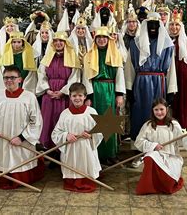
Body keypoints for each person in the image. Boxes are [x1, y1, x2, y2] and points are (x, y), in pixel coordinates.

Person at [0, 65, 44, 189]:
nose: (9, 81)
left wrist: (22, 138)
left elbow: (36, 121)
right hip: (3, 139)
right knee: (4, 163)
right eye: (6, 78)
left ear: (20, 79)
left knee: (21, 162)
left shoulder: (29, 97)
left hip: (22, 142)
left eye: (13, 77)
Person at [125, 12, 177, 142]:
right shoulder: (135, 44)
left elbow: (171, 69)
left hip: (159, 83)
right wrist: (129, 88)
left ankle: (158, 143)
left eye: (155, 24)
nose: (153, 27)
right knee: (140, 113)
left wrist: (171, 90)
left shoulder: (167, 45)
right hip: (141, 84)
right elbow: (129, 67)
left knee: (158, 114)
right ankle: (140, 145)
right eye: (150, 24)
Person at [134, 98, 187, 195]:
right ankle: (149, 187)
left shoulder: (174, 125)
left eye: (161, 109)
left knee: (168, 184)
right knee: (149, 158)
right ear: (152, 110)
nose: (159, 112)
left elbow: (182, 140)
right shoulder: (148, 125)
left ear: (167, 109)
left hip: (171, 156)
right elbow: (138, 142)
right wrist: (154, 145)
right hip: (155, 155)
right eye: (156, 110)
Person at [83, 26, 125, 165]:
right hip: (95, 91)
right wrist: (88, 96)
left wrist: (119, 94)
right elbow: (86, 77)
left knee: (109, 121)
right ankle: (97, 153)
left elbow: (119, 75)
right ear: (95, 39)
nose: (101, 40)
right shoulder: (89, 55)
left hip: (110, 90)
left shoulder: (115, 54)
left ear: (108, 39)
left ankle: (110, 153)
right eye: (99, 38)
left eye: (104, 37)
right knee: (95, 122)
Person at [51, 83, 103, 193]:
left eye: (80, 95)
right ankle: (72, 181)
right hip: (70, 148)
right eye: (74, 96)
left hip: (86, 148)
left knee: (86, 164)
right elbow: (55, 133)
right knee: (72, 164)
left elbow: (100, 131)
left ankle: (87, 181)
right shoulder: (65, 114)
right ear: (70, 97)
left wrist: (91, 135)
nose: (77, 98)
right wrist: (66, 136)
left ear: (85, 97)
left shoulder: (91, 112)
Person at [36, 31, 80, 150]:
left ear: (66, 43)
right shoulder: (47, 58)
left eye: (61, 41)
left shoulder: (72, 58)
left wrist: (63, 92)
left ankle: (62, 150)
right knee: (48, 122)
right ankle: (50, 150)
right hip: (49, 96)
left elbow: (74, 77)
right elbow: (41, 75)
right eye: (56, 41)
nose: (58, 43)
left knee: (62, 122)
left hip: (65, 96)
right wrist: (47, 90)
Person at [168, 9, 187, 130]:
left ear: (181, 27)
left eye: (177, 25)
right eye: (172, 24)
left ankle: (183, 124)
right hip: (168, 74)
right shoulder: (165, 40)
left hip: (181, 75)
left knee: (182, 99)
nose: (174, 27)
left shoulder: (185, 42)